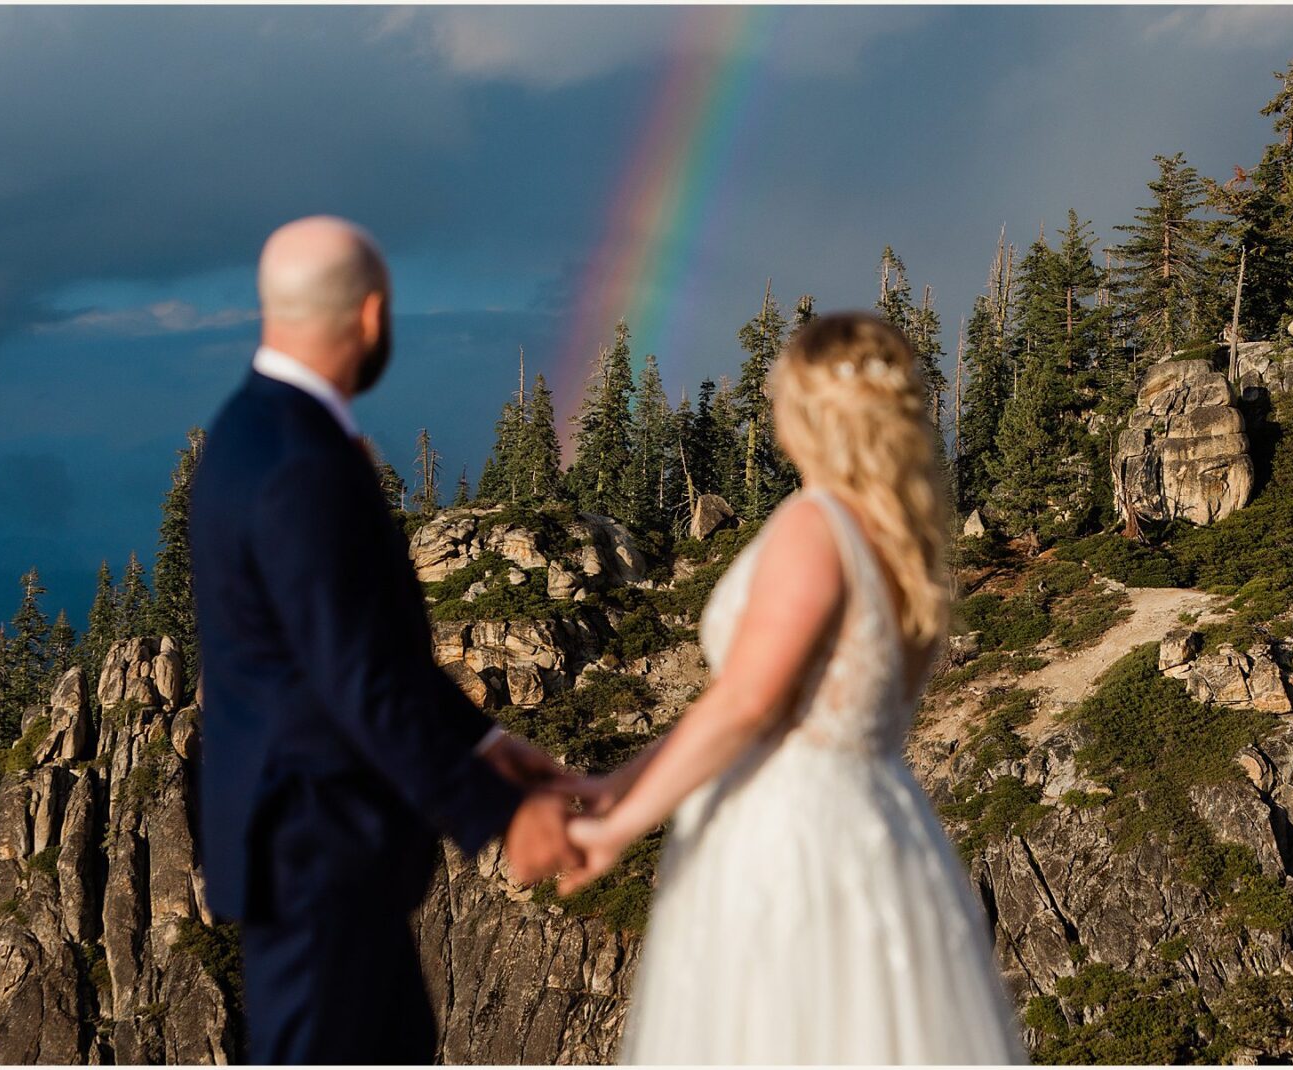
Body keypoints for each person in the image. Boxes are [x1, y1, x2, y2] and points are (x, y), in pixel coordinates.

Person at [560, 312, 1026, 1063]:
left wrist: (618, 825)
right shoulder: (899, 539)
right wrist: (616, 785)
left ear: (810, 410)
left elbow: (749, 701)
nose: (769, 402)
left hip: (791, 840)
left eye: (780, 390)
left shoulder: (817, 524)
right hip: (876, 826)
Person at [189, 215, 580, 1063]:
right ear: (372, 316)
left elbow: (353, 649)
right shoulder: (301, 459)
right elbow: (357, 676)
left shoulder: (248, 431)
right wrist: (501, 817)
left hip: (317, 851)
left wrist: (483, 741)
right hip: (318, 849)